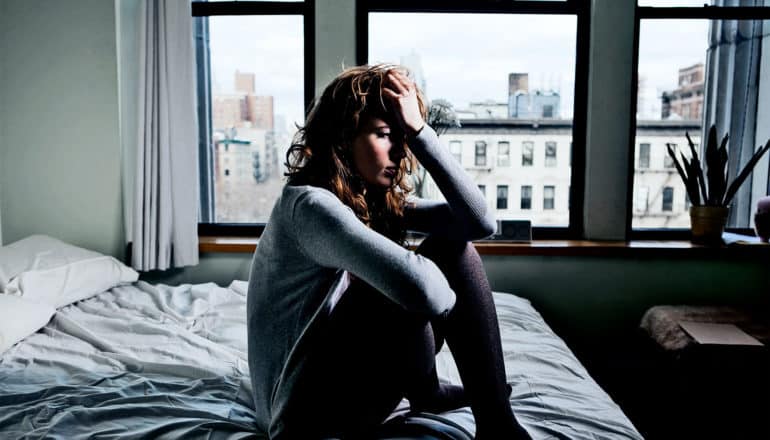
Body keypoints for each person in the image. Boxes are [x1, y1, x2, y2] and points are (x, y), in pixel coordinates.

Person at [247, 64, 531, 439]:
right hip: (302, 416)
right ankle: (486, 417)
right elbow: (424, 291)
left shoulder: (366, 197)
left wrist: (421, 134)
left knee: (453, 251)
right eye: (384, 135)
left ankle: (467, 408)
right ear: (342, 137)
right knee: (405, 282)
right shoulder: (311, 206)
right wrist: (445, 308)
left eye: (403, 138)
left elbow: (479, 224)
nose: (399, 151)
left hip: (335, 391)